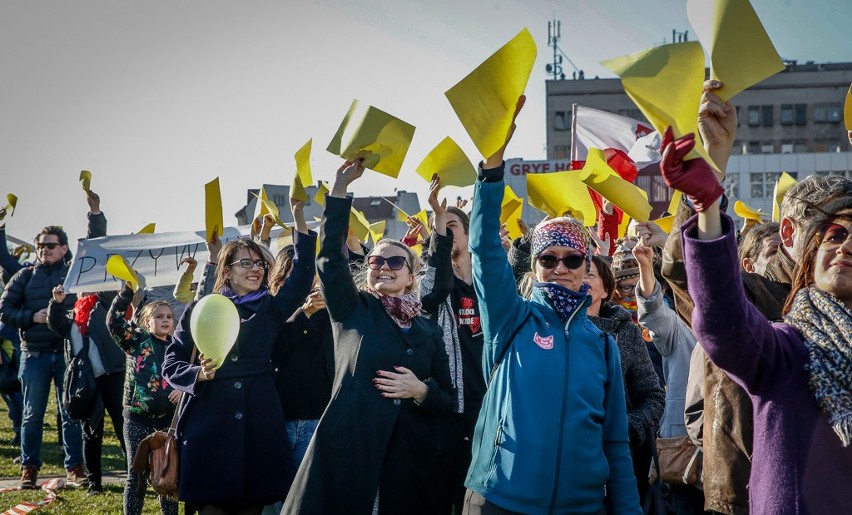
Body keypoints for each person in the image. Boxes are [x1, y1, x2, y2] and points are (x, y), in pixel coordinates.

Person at [661, 120, 852, 512]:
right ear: (798, 240)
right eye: (833, 234)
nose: (846, 246)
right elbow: (721, 318)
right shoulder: (784, 348)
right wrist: (706, 204)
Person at [463, 98, 640, 514]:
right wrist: (491, 170)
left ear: (587, 267)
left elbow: (615, 443)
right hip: (499, 501)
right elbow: (486, 251)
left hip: (581, 507)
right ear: (536, 265)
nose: (560, 266)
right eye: (548, 258)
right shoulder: (512, 318)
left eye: (572, 259)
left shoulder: (603, 345)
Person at [283, 159, 454, 515]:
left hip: (406, 465)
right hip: (348, 455)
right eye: (376, 262)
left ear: (411, 276)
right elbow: (330, 260)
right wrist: (341, 190)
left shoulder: (428, 329)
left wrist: (421, 390)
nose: (384, 268)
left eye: (395, 263)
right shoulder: (352, 309)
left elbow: (447, 398)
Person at [163, 198, 316, 515]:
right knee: (210, 508)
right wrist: (197, 375)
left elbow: (302, 274)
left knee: (252, 506)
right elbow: (171, 362)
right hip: (209, 422)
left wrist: (299, 217)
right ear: (227, 271)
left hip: (259, 421)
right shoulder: (201, 308)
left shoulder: (271, 309)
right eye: (246, 263)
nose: (256, 269)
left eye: (260, 263)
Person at [46, 190, 128, 495]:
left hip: (113, 374)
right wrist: (56, 304)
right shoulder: (72, 314)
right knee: (90, 433)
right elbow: (57, 326)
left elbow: (94, 251)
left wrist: (95, 213)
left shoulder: (104, 301)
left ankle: (137, 475)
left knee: (123, 428)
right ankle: (94, 483)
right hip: (86, 382)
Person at [0, 224, 84, 489]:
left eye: (50, 245)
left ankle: (75, 468)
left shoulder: (73, 276)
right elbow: (4, 310)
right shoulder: (24, 276)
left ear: (64, 248)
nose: (44, 250)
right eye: (40, 246)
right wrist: (30, 317)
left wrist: (96, 215)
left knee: (70, 413)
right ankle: (29, 470)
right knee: (32, 414)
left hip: (65, 354)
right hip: (33, 354)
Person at [420, 174, 485, 513]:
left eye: (453, 225)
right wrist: (437, 219)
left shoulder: (490, 289)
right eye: (440, 228)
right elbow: (433, 288)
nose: (446, 231)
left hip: (487, 408)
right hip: (450, 408)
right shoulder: (433, 287)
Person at [583, 254, 665, 505]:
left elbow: (652, 394)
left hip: (616, 458)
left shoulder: (625, 331)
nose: (581, 279)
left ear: (606, 289)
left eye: (590, 274)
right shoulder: (550, 330)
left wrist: (628, 428)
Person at [633, 241, 704, 513]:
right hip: (685, 455)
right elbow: (653, 309)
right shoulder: (679, 330)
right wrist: (645, 266)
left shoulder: (744, 330)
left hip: (731, 456)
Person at [103, 282, 178, 514]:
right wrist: (126, 293)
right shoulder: (136, 340)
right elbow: (113, 322)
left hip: (168, 420)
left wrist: (184, 389)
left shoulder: (179, 347)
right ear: (147, 322)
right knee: (135, 476)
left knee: (167, 474)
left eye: (169, 316)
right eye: (159, 316)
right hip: (137, 418)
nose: (165, 320)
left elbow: (190, 373)